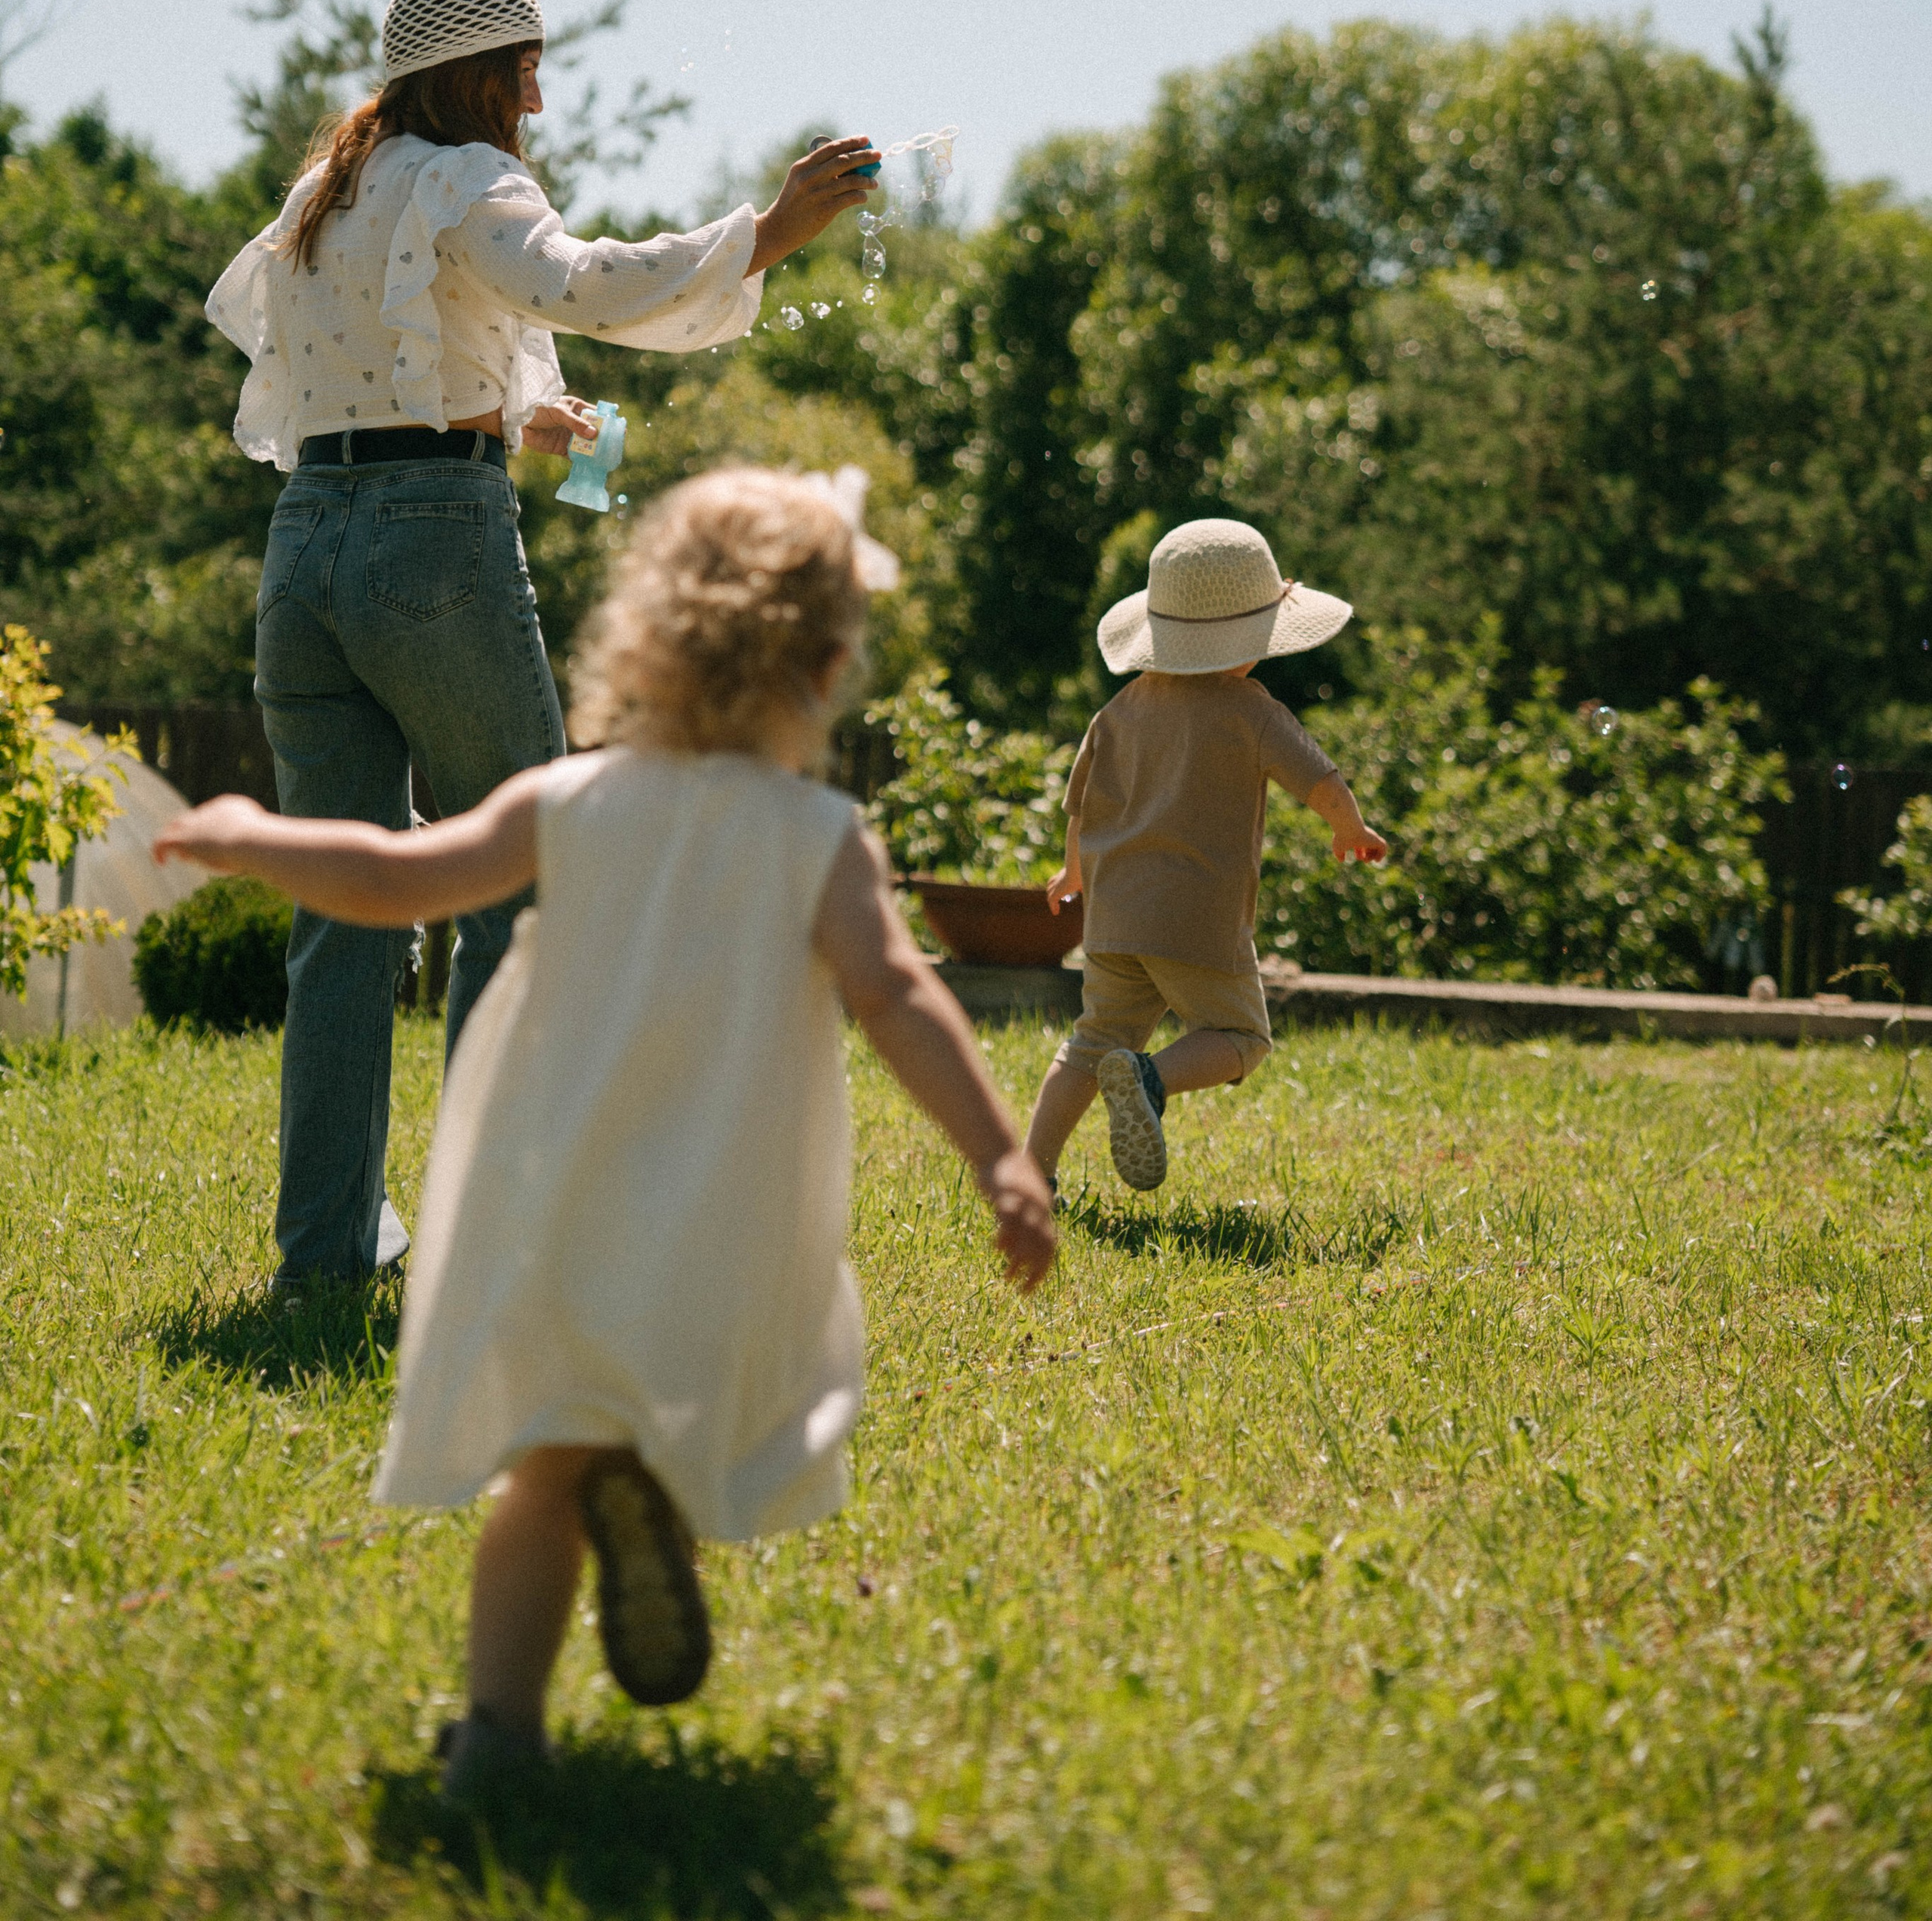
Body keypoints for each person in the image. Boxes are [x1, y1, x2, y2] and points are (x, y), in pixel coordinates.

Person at [155, 467, 1056, 1797]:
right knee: (680, 1413)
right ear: (823, 670)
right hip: (724, 1220)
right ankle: (654, 1505)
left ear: (640, 640)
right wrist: (1000, 1156)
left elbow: (397, 878)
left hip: (559, 1204)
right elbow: (898, 996)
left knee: (544, 1476)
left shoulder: (568, 799)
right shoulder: (819, 836)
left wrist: (252, 836)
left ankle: (498, 1736)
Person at [208, 0, 877, 1286]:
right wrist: (768, 230)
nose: (538, 99)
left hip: (304, 547)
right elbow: (585, 284)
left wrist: (521, 413)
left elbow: (368, 375)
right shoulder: (467, 178)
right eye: (523, 70)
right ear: (472, 73)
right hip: (431, 544)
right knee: (524, 876)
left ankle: (322, 1259)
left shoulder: (324, 193)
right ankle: (491, 1240)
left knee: (343, 907)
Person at [1023, 518, 1388, 1194]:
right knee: (1241, 1037)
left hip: (1113, 917)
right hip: (1197, 919)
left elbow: (1083, 807)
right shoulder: (1251, 710)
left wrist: (1074, 873)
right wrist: (1350, 828)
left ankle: (1030, 1172)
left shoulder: (1117, 712)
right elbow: (1320, 779)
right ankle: (1151, 1078)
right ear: (1253, 640)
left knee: (1092, 1042)